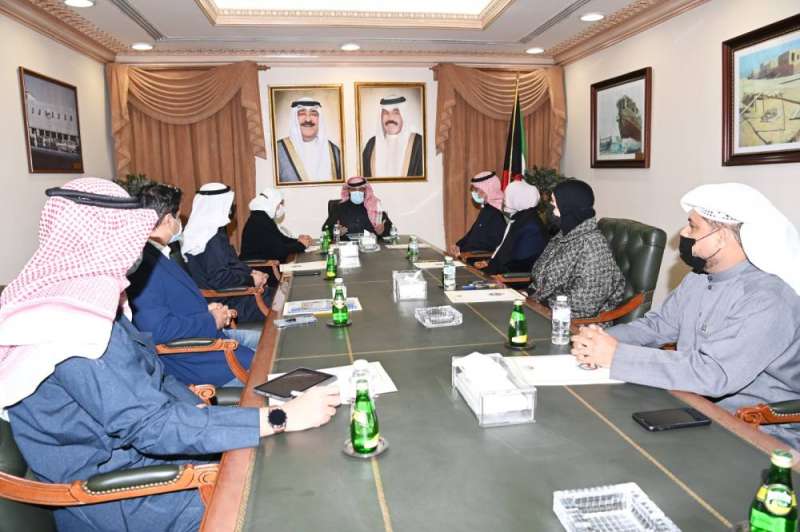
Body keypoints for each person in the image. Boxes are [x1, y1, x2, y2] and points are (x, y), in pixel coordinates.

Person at [0, 178, 340, 532]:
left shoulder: (81, 303)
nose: (136, 243)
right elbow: (152, 428)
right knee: (290, 498)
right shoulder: (69, 328)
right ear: (102, 239)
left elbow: (154, 375)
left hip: (152, 461)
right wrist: (281, 417)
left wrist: (199, 409)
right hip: (128, 497)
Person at [571, 183, 800, 449]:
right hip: (690, 402)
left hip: (754, 430)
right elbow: (657, 326)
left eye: (693, 226)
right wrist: (596, 339)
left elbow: (713, 373)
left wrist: (616, 356)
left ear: (721, 237)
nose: (684, 233)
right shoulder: (699, 279)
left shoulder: (769, 298)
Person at [127, 183, 258, 387]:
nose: (180, 222)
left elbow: (174, 303)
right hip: (198, 359)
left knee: (275, 342)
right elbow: (157, 330)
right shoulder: (143, 264)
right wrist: (211, 319)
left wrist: (207, 309)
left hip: (207, 336)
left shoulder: (158, 253)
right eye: (178, 216)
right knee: (275, 362)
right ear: (169, 219)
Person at [528, 179, 625, 319]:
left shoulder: (593, 247)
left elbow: (584, 306)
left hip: (574, 324)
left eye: (554, 204)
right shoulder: (563, 236)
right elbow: (541, 277)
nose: (551, 210)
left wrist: (539, 303)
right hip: (543, 310)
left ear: (569, 208)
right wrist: (529, 295)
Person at [182, 182, 269, 322]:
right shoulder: (209, 238)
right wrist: (251, 280)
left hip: (235, 294)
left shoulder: (213, 233)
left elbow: (231, 263)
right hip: (226, 304)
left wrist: (252, 272)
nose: (230, 208)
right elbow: (220, 279)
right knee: (281, 304)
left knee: (282, 295)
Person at [474, 180, 547, 275]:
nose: (504, 200)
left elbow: (519, 265)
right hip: (497, 273)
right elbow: (504, 252)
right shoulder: (520, 218)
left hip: (506, 279)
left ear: (518, 199)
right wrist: (488, 262)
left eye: (507, 196)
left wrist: (493, 272)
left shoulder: (532, 228)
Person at [276, 97, 342, 183]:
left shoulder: (334, 151)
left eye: (313, 114)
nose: (308, 119)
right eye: (302, 114)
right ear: (294, 118)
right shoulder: (278, 150)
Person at [240, 187, 313, 263]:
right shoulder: (260, 221)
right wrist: (301, 245)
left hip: (267, 263)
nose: (280, 207)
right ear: (272, 203)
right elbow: (279, 251)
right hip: (260, 266)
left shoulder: (262, 217)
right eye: (279, 204)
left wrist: (299, 241)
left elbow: (282, 239)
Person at [362, 95, 423, 178]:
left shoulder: (418, 143)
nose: (390, 118)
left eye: (396, 113)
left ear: (403, 115)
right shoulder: (371, 144)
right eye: (385, 113)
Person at [449, 171, 507, 257]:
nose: (477, 194)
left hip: (481, 258)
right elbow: (473, 233)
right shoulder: (487, 208)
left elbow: (491, 244)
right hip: (469, 254)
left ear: (489, 189)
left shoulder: (500, 211)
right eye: (475, 190)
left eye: (478, 190)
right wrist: (458, 245)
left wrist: (465, 251)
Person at [323, 176, 393, 237]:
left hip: (370, 245)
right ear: (348, 190)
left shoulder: (374, 206)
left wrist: (383, 230)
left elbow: (390, 228)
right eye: (353, 189)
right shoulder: (338, 207)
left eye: (361, 189)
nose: (357, 192)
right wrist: (336, 232)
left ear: (365, 190)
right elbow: (325, 229)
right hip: (346, 246)